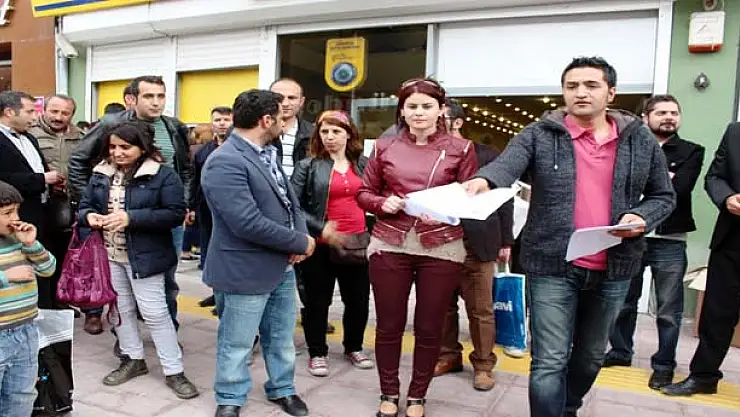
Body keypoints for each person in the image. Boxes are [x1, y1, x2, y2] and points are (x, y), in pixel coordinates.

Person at [462, 57, 676, 417]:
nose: (580, 93)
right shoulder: (539, 134)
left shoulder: (638, 139)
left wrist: (642, 216)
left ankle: (568, 407)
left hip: (615, 265)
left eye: (591, 85)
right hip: (552, 264)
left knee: (590, 357)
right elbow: (507, 164)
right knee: (549, 360)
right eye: (572, 86)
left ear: (611, 93)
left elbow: (663, 196)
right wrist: (484, 180)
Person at [357, 78, 477, 417]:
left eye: (427, 106)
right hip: (390, 241)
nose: (419, 112)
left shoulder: (462, 149)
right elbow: (364, 193)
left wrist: (443, 210)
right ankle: (389, 392)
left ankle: (417, 396)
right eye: (412, 106)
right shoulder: (384, 147)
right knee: (388, 324)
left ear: (441, 110)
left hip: (441, 244)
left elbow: (470, 197)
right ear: (402, 111)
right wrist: (382, 203)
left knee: (429, 326)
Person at [202, 89, 315, 417]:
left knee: (280, 337)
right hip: (243, 267)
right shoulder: (224, 161)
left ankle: (283, 388)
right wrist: (299, 243)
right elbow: (246, 223)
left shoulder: (268, 152)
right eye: (281, 117)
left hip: (281, 266)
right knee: (237, 342)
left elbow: (290, 203)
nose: (285, 122)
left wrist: (299, 236)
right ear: (266, 120)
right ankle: (230, 396)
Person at [77, 120, 198, 399]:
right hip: (109, 255)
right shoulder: (101, 173)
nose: (117, 153)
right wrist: (89, 217)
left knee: (155, 313)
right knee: (120, 310)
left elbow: (175, 213)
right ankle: (132, 359)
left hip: (146, 257)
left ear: (142, 148)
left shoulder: (163, 175)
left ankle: (174, 371)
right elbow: (84, 207)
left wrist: (132, 218)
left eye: (125, 147)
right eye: (113, 147)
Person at [69, 75, 193, 339]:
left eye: (161, 96)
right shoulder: (111, 124)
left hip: (163, 218)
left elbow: (185, 169)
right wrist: (94, 202)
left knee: (166, 280)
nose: (156, 102)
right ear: (131, 99)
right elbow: (78, 160)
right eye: (149, 96)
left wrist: (183, 202)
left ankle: (167, 332)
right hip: (118, 220)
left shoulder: (173, 126)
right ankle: (125, 340)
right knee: (121, 284)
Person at [605, 95, 705, 390]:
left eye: (674, 112)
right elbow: (617, 187)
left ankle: (663, 365)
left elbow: (678, 189)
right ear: (645, 117)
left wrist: (644, 183)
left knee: (668, 310)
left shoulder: (692, 151)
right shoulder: (627, 147)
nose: (669, 117)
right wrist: (661, 180)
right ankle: (620, 351)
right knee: (624, 302)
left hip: (669, 240)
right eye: (661, 112)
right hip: (629, 236)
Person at [434, 98, 514, 391]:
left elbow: (504, 198)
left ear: (458, 122)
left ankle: (483, 365)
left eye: (441, 118)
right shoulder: (429, 156)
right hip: (439, 243)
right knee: (442, 307)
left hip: (478, 242)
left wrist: (505, 240)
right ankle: (448, 356)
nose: (433, 123)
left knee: (481, 310)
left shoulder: (487, 155)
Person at [291, 110, 373, 377]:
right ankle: (317, 352)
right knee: (317, 302)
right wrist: (320, 227)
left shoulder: (363, 164)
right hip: (320, 245)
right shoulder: (308, 166)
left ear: (349, 134)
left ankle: (354, 347)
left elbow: (376, 197)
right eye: (324, 132)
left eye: (336, 131)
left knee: (358, 301)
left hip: (356, 242)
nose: (329, 137)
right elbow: (293, 206)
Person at [661, 122, 740, 397]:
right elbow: (715, 177)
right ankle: (704, 377)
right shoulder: (735, 132)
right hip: (732, 240)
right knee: (716, 315)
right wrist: (727, 198)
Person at [270, 77, 335, 335]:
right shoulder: (260, 131)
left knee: (310, 273)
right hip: (267, 211)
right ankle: (259, 329)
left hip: (303, 212)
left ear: (302, 102)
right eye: (279, 97)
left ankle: (314, 319)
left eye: (292, 98)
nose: (285, 103)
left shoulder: (315, 134)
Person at [0, 180, 57, 417]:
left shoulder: (18, 240)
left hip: (26, 330)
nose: (15, 218)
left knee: (22, 395)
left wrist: (32, 244)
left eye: (16, 211)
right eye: (7, 213)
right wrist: (6, 276)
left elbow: (48, 269)